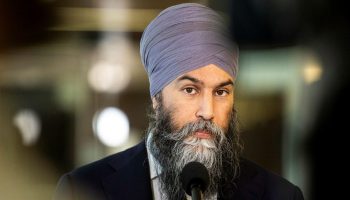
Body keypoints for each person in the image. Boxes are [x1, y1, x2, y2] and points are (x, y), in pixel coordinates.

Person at [54, 3, 304, 200]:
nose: (208, 112)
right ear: (156, 97)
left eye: (221, 92)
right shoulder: (83, 190)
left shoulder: (278, 195)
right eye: (190, 90)